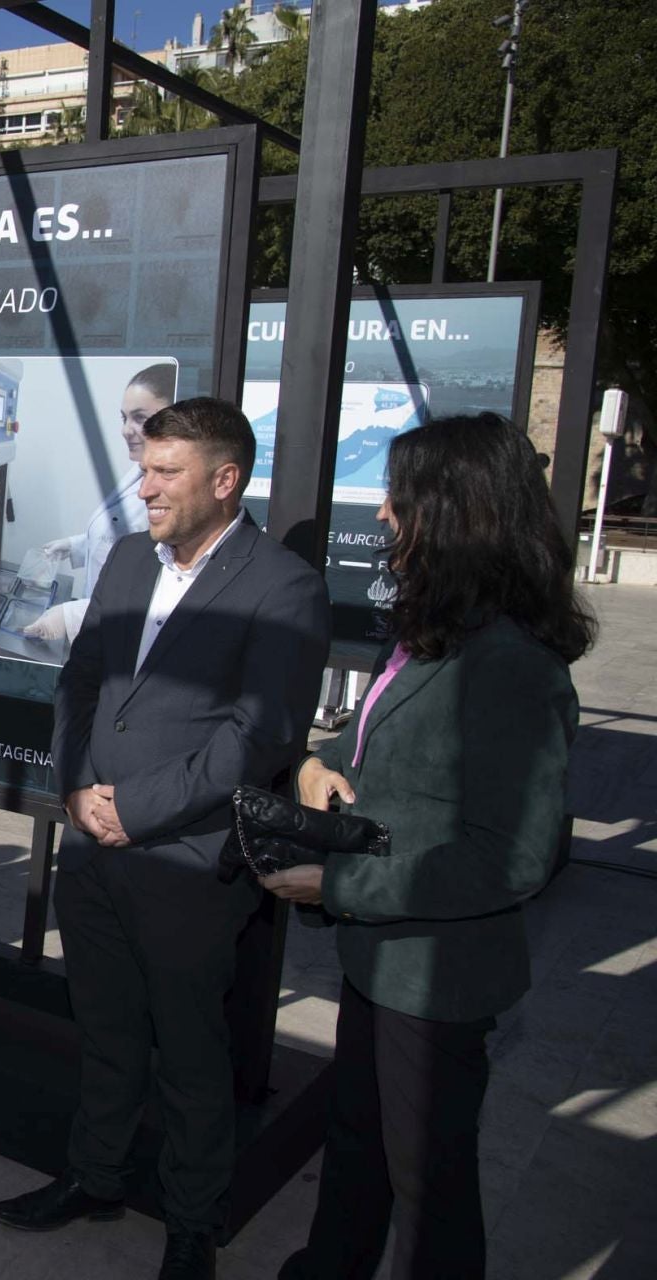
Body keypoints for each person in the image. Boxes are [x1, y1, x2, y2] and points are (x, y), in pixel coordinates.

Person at [0, 397, 330, 1280]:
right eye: (145, 469)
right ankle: (96, 1176)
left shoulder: (281, 586)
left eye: (164, 473)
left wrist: (130, 807)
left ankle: (192, 1223)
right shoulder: (131, 561)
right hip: (95, 846)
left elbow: (256, 740)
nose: (143, 488)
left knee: (188, 1049)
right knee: (103, 1028)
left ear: (226, 480)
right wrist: (73, 788)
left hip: (186, 859)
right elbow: (82, 680)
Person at [268, 417, 592, 1280]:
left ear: (454, 514)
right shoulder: (432, 633)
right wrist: (317, 764)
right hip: (384, 961)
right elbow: (378, 744)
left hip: (438, 975)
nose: (381, 514)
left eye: (398, 498)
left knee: (430, 1188)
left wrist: (336, 884)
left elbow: (511, 859)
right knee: (358, 1144)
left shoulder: (513, 667)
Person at [23, 363, 176, 645]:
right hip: (98, 617)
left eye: (140, 418)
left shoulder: (172, 495)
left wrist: (69, 617)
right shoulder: (139, 470)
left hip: (119, 631)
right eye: (124, 418)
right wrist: (74, 544)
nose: (125, 430)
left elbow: (153, 595)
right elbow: (120, 538)